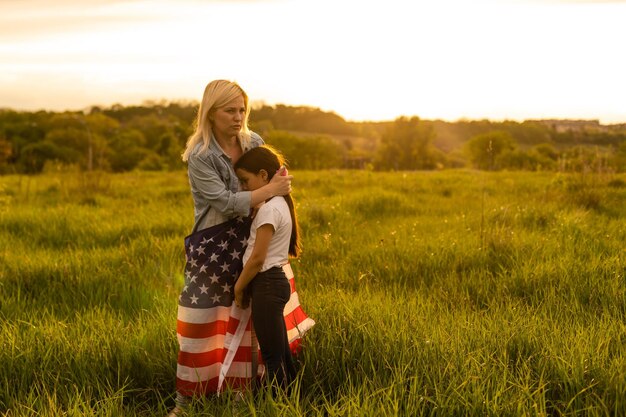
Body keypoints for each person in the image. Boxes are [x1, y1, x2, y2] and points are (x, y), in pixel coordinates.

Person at [170, 80, 292, 417]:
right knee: (203, 317)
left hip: (254, 237)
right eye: (230, 111)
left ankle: (241, 393)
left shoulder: (254, 142)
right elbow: (225, 202)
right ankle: (186, 399)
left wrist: (273, 192)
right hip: (213, 243)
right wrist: (269, 190)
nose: (238, 117)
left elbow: (277, 184)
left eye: (242, 109)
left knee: (251, 316)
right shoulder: (200, 155)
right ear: (211, 113)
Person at [233, 145, 300, 391]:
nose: (243, 188)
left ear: (263, 175)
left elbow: (257, 258)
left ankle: (277, 405)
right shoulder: (278, 203)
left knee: (272, 358)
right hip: (275, 283)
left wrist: (239, 288)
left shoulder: (270, 209)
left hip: (267, 285)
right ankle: (293, 399)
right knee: (281, 353)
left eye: (245, 180)